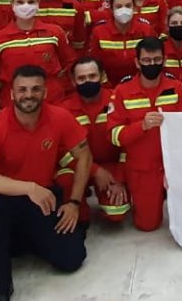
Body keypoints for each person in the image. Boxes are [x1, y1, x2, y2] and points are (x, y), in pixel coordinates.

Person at [0, 67, 90, 301]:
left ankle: (26, 241)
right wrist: (29, 188)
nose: (29, 95)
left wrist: (74, 202)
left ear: (45, 92)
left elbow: (84, 156)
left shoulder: (60, 117)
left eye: (36, 89)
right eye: (22, 90)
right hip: (4, 202)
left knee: (72, 258)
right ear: (12, 94)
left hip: (42, 201)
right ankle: (0, 289)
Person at [103, 38, 182, 231]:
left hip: (173, 163)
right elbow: (113, 135)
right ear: (137, 62)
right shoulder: (122, 92)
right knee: (148, 225)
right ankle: (136, 194)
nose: (152, 64)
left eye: (157, 59)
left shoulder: (176, 87)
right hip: (143, 167)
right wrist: (141, 126)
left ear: (164, 60)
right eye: (146, 60)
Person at [54, 57, 129, 223]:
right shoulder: (63, 109)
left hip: (111, 165)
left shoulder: (117, 101)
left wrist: (120, 178)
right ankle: (78, 209)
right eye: (81, 78)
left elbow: (128, 144)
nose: (87, 81)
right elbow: (62, 151)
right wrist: (95, 171)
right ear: (73, 81)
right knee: (66, 181)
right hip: (79, 166)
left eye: (92, 76)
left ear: (102, 76)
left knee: (116, 213)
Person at [0, 0, 76, 109]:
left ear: (38, 3)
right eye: (20, 2)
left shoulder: (54, 33)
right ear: (12, 4)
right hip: (13, 104)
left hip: (51, 101)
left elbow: (67, 63)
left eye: (31, 2)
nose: (25, 6)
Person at [87, 0, 157, 84]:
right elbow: (94, 64)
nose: (124, 10)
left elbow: (153, 61)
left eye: (128, 6)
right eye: (118, 7)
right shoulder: (99, 32)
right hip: (109, 85)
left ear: (134, 8)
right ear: (111, 9)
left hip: (141, 84)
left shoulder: (146, 30)